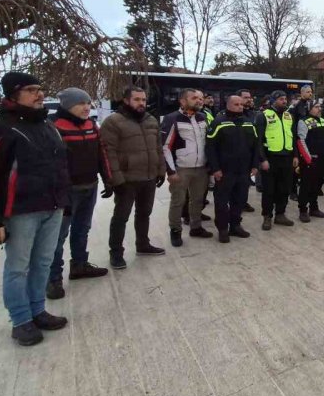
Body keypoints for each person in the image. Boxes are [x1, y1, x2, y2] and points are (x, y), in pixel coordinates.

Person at [0, 71, 69, 346]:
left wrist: (65, 201)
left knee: (43, 263)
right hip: (20, 212)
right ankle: (21, 320)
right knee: (18, 268)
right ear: (13, 94)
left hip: (53, 207)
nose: (40, 94)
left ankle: (37, 310)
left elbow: (60, 167)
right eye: (31, 90)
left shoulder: (48, 125)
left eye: (40, 88)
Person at [46, 87, 111, 301]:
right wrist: (57, 193)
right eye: (80, 103)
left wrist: (108, 179)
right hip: (66, 192)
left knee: (82, 228)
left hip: (89, 186)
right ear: (67, 105)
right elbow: (51, 164)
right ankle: (53, 278)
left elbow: (102, 154)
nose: (86, 107)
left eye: (88, 102)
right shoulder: (53, 127)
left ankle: (80, 264)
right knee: (58, 236)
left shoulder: (91, 125)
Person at [100, 86, 166, 269]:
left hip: (149, 177)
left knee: (144, 213)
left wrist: (161, 170)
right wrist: (116, 179)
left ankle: (143, 244)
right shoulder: (113, 122)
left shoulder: (151, 120)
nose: (141, 103)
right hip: (127, 179)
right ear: (126, 100)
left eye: (143, 100)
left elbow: (158, 148)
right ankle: (116, 252)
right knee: (121, 217)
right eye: (137, 99)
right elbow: (108, 152)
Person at [160, 88, 211, 248]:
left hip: (201, 168)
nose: (199, 100)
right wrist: (171, 171)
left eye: (201, 98)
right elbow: (165, 146)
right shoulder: (172, 118)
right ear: (182, 101)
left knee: (197, 200)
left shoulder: (203, 118)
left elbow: (208, 143)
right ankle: (175, 231)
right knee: (178, 201)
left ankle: (195, 227)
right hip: (181, 169)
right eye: (195, 98)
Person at [206, 95, 259, 242]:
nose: (240, 107)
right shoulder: (219, 123)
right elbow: (210, 148)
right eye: (236, 104)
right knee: (222, 202)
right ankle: (223, 229)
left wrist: (255, 165)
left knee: (240, 200)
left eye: (241, 104)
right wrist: (215, 168)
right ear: (228, 105)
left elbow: (256, 146)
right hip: (224, 171)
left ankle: (235, 226)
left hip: (243, 171)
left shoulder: (249, 123)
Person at [255, 90, 296, 230]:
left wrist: (295, 156)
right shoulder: (263, 116)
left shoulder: (288, 116)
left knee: (284, 188)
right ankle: (267, 216)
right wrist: (262, 159)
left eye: (285, 99)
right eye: (281, 99)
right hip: (270, 158)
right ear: (273, 101)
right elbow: (258, 140)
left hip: (287, 157)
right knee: (269, 190)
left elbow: (293, 137)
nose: (284, 101)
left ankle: (280, 214)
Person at [296, 102, 324, 222]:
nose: (319, 109)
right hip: (309, 160)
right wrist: (308, 159)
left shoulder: (323, 121)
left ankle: (314, 208)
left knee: (317, 185)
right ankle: (303, 210)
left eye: (320, 107)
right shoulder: (303, 121)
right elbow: (301, 141)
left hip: (322, 158)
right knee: (306, 186)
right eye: (316, 107)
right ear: (309, 109)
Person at [237, 88, 257, 213]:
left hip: (248, 154)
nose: (249, 99)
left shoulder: (252, 114)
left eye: (250, 97)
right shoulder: (228, 114)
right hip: (234, 155)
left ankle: (243, 202)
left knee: (245, 182)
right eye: (245, 97)